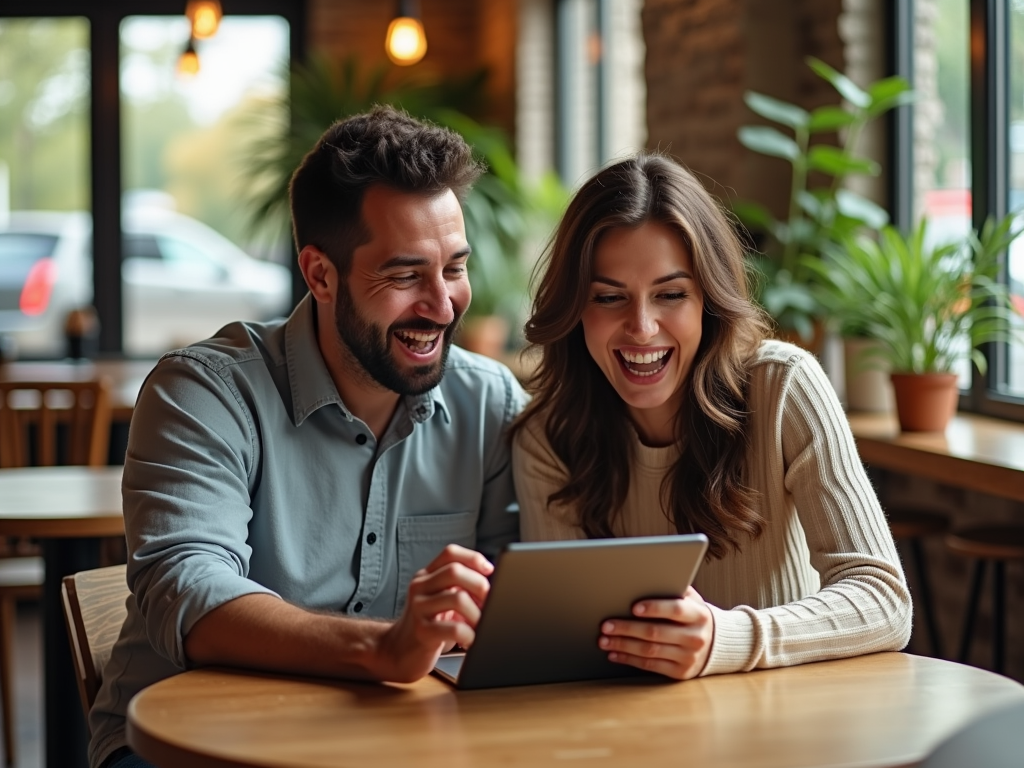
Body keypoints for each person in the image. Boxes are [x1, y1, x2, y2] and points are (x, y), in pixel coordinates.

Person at [89, 106, 528, 768]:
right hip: (188, 743)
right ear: (320, 275)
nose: (442, 305)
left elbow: (527, 591)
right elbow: (186, 589)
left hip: (399, 744)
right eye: (406, 275)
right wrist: (384, 648)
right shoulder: (205, 392)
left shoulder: (490, 404)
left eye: (454, 268)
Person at [510, 152, 912, 682]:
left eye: (671, 294)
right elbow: (563, 646)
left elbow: (884, 600)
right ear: (575, 309)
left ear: (709, 301)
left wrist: (728, 639)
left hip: (787, 732)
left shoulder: (784, 387)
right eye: (609, 298)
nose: (642, 327)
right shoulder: (549, 435)